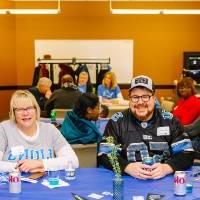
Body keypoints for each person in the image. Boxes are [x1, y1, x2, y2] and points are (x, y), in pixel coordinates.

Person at [98, 75, 194, 180]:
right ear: (129, 99)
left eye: (145, 96)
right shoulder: (116, 121)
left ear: (153, 98)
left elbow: (186, 153)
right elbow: (105, 154)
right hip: (128, 180)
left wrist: (167, 167)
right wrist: (126, 167)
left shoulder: (171, 121)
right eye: (135, 97)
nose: (140, 102)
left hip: (164, 181)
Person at [0, 90, 79, 173]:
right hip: (14, 184)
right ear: (13, 113)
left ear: (36, 110)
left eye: (30, 108)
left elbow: (73, 161)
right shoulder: (4, 129)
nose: (25, 113)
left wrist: (40, 163)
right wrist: (21, 167)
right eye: (19, 109)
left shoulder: (50, 130)